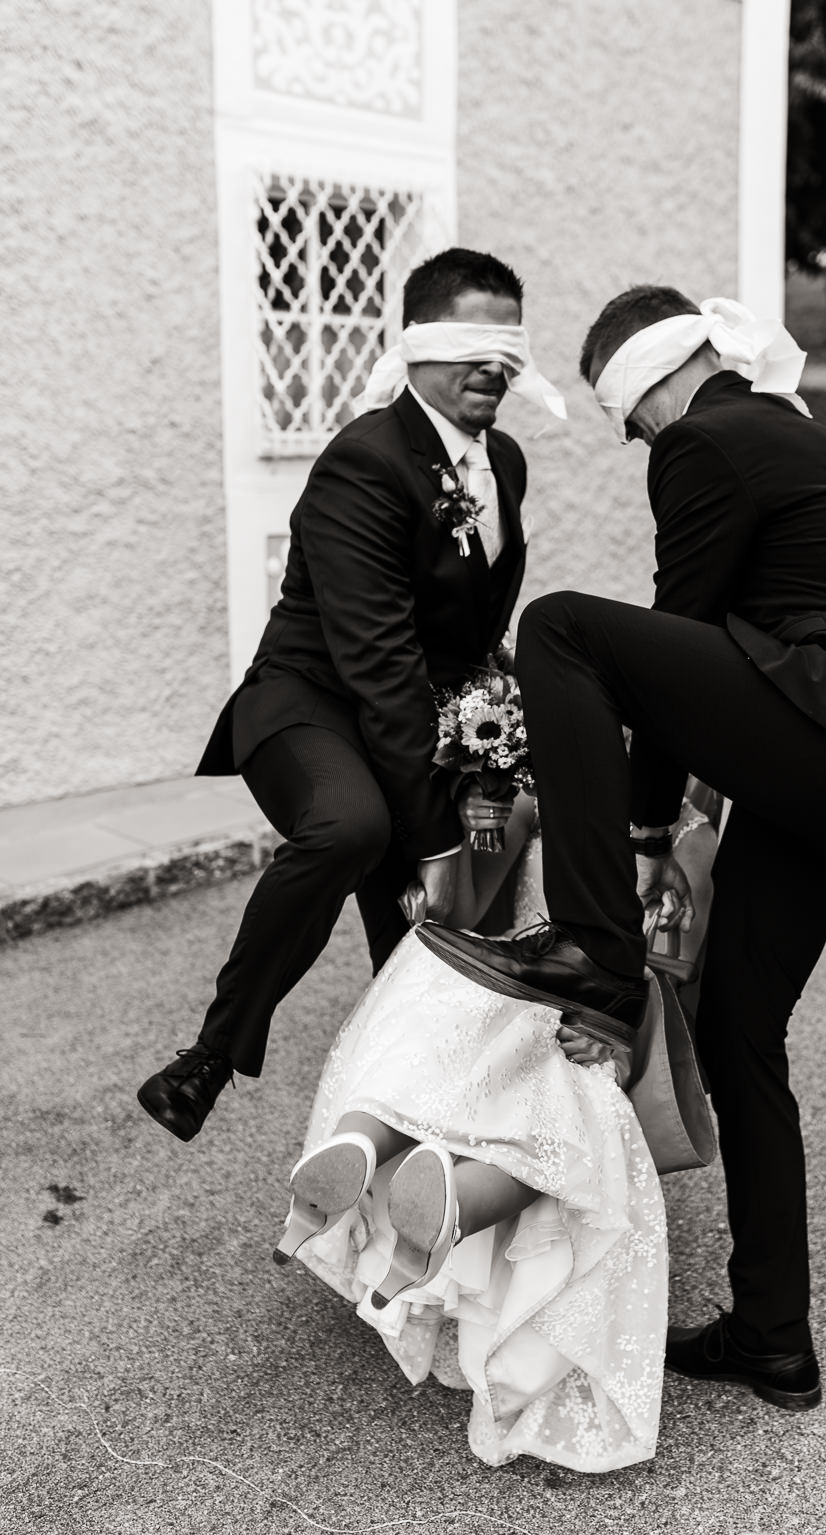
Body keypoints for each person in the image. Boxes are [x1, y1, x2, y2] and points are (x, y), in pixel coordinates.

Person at [416, 289, 826, 1412]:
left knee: (563, 628)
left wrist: (628, 843)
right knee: (738, 1027)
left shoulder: (707, 443)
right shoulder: (803, 437)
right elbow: (712, 663)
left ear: (655, 384)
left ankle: (593, 953)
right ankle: (774, 1336)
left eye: (625, 417)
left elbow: (667, 656)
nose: (634, 440)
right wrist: (647, 813)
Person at [136, 248, 565, 1145]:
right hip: (311, 705)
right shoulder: (363, 462)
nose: (494, 363)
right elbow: (377, 659)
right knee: (356, 829)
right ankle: (210, 1055)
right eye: (470, 341)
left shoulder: (507, 463)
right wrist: (439, 835)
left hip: (418, 713)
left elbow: (471, 626)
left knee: (417, 945)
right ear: (416, 346)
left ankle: (412, 1143)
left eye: (509, 344)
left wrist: (506, 727)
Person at [273, 785, 718, 1470]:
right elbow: (678, 973)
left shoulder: (560, 803)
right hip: (557, 1012)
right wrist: (490, 831)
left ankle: (364, 1140)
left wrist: (490, 831)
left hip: (507, 1003)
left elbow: (464, 915)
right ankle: (450, 1210)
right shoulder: (673, 834)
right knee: (552, 1132)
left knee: (457, 1086)